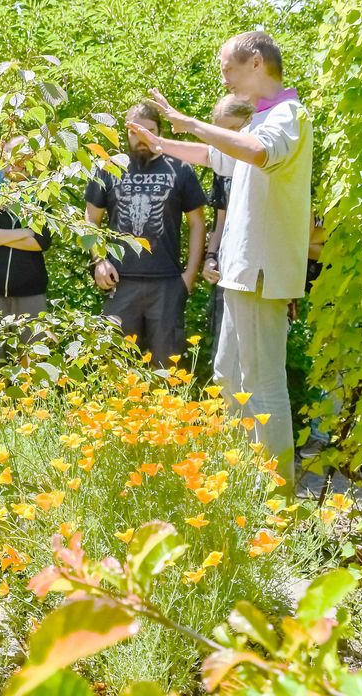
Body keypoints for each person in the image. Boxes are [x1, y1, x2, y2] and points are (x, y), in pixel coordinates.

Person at [130, 30, 313, 486]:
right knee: (228, 376)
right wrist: (161, 144)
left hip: (261, 273)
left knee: (261, 383)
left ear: (255, 63)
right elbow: (217, 157)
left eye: (227, 68)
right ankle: (236, 481)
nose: (224, 79)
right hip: (239, 273)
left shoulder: (288, 114)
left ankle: (276, 499)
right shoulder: (258, 119)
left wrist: (188, 121)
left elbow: (256, 152)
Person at [85, 102, 207, 366]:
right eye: (134, 132)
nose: (141, 138)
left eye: (149, 131)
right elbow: (90, 220)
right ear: (125, 133)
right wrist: (99, 261)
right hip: (120, 284)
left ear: (159, 131)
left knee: (169, 369)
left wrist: (189, 276)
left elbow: (198, 222)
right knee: (115, 366)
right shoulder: (108, 168)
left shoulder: (180, 169)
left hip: (167, 283)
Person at [0, 158, 52, 364]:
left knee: (33, 356)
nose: (20, 165)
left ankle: (35, 397)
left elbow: (41, 241)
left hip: (30, 289)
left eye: (26, 160)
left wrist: (1, 237)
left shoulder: (42, 194)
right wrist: (25, 232)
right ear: (4, 160)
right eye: (15, 160)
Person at [202, 95, 254, 356]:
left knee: (253, 355)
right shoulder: (222, 164)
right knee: (223, 358)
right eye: (222, 132)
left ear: (251, 120)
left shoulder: (265, 161)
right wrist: (210, 258)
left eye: (235, 129)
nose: (229, 139)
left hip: (257, 272)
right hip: (226, 269)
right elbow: (220, 220)